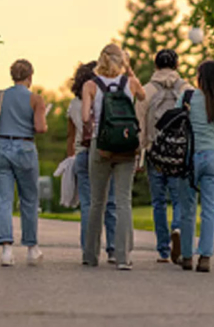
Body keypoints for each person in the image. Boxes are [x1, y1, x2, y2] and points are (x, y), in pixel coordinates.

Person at [81, 44, 146, 270]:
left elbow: (85, 118)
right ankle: (123, 258)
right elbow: (143, 96)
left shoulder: (90, 85)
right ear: (122, 61)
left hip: (101, 145)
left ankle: (90, 255)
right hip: (127, 145)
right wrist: (129, 71)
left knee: (96, 202)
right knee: (123, 202)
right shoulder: (131, 83)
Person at [0, 59, 49, 267]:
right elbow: (40, 128)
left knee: (3, 200)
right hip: (24, 149)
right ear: (30, 76)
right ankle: (32, 249)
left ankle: (6, 251)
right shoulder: (35, 99)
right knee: (29, 199)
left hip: (0, 148)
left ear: (12, 76)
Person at [172, 60, 214, 273]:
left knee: (187, 209)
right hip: (213, 156)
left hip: (188, 158)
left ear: (200, 77)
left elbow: (175, 126)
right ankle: (205, 257)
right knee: (210, 210)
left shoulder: (187, 97)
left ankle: (187, 256)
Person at [136, 49, 191, 263]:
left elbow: (139, 123)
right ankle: (177, 227)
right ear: (176, 65)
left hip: (154, 152)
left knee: (158, 202)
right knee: (178, 199)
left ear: (156, 66)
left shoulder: (147, 90)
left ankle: (163, 251)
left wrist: (140, 154)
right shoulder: (186, 89)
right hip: (178, 153)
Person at [66, 61, 117, 263]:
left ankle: (88, 250)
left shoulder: (73, 105)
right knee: (110, 202)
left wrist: (71, 158)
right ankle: (112, 249)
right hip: (104, 152)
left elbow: (70, 137)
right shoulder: (104, 98)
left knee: (88, 204)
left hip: (81, 155)